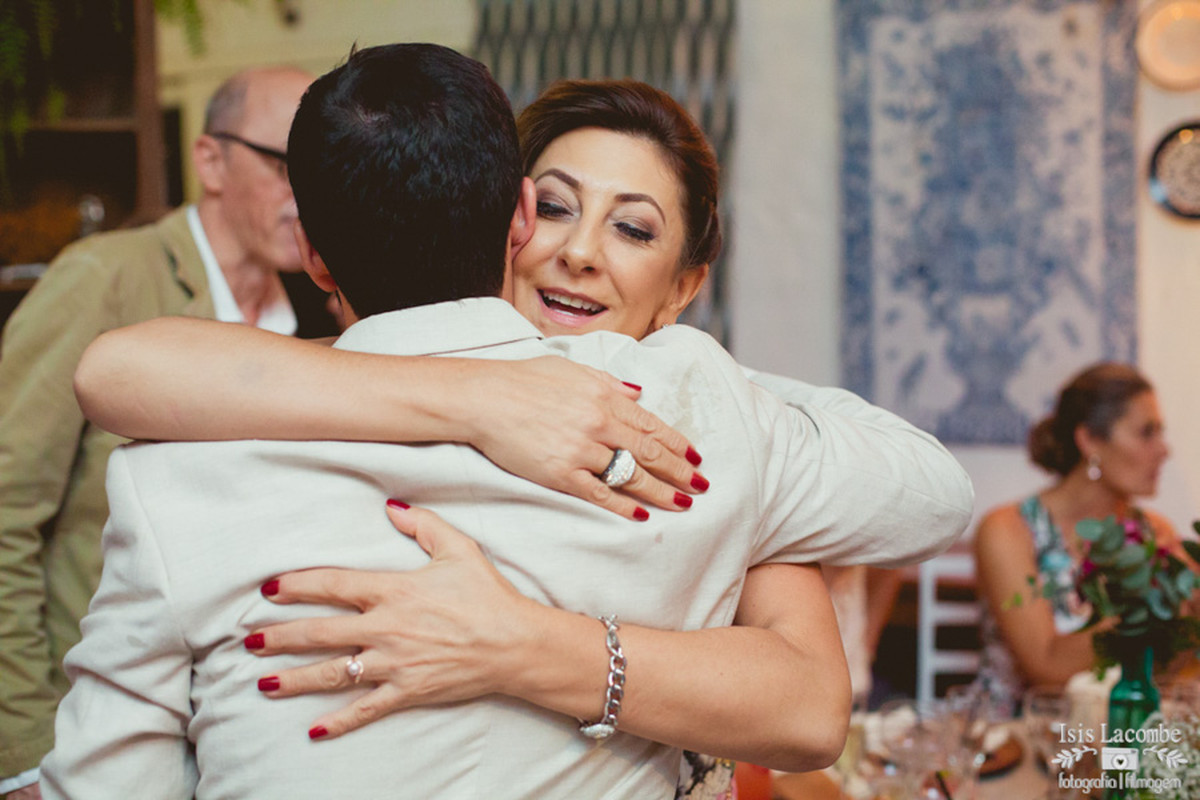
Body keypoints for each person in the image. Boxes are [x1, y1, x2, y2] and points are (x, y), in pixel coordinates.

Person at [42, 44, 971, 799]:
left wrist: (670, 378)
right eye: (559, 207)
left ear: (314, 257)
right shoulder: (702, 417)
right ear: (518, 216)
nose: (579, 253)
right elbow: (934, 498)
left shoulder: (178, 471)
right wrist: (498, 392)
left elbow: (107, 781)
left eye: (632, 229)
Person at [0, 65, 336, 798]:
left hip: (240, 742)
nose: (309, 194)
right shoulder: (106, 279)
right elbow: (5, 510)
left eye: (327, 167)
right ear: (210, 161)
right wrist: (23, 752)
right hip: (90, 731)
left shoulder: (323, 306)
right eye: (286, 165)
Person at [974, 362, 1183, 712]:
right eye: (1147, 433)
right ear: (1090, 441)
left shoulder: (1156, 533)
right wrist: (1154, 611)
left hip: (1119, 728)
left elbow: (1167, 671)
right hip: (1016, 731)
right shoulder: (1008, 530)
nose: (1164, 450)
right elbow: (1044, 666)